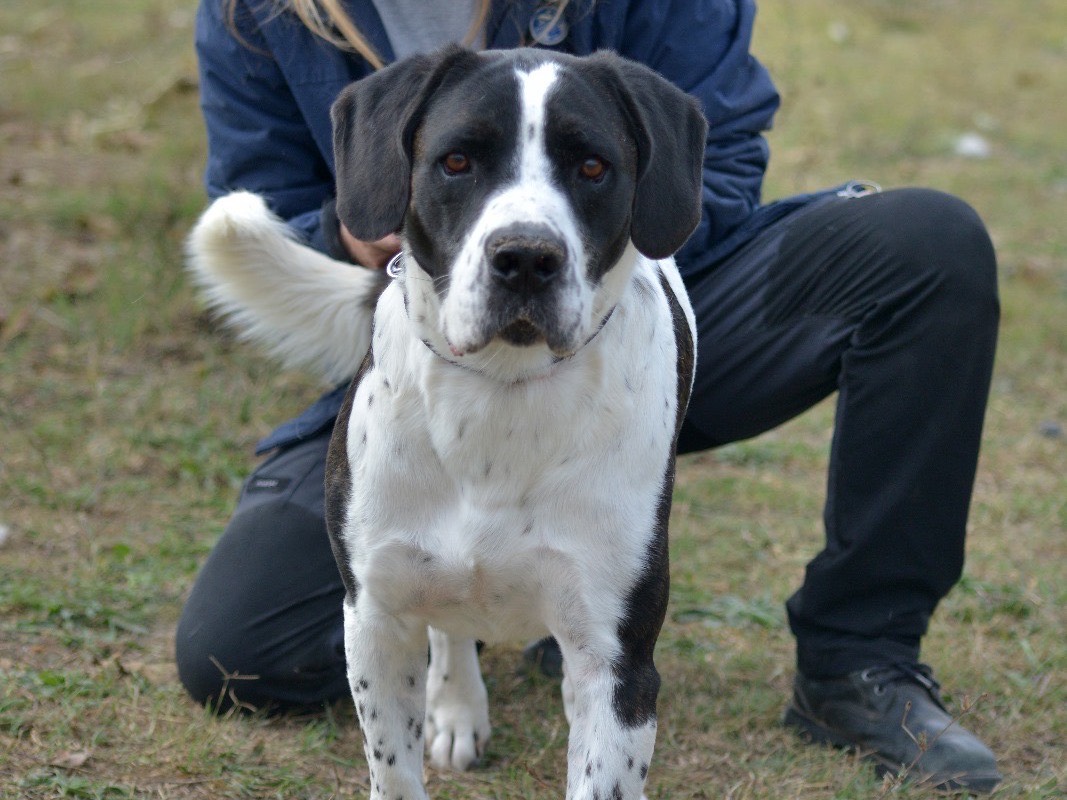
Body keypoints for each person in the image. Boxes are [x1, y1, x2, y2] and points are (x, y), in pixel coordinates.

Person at [176, 0, 1002, 792]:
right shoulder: (257, 11)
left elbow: (706, 176)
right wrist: (361, 228)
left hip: (642, 309)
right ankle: (480, 619)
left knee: (927, 248)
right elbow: (272, 197)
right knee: (235, 651)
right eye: (461, 158)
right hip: (418, 341)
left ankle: (859, 659)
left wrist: (592, 273)